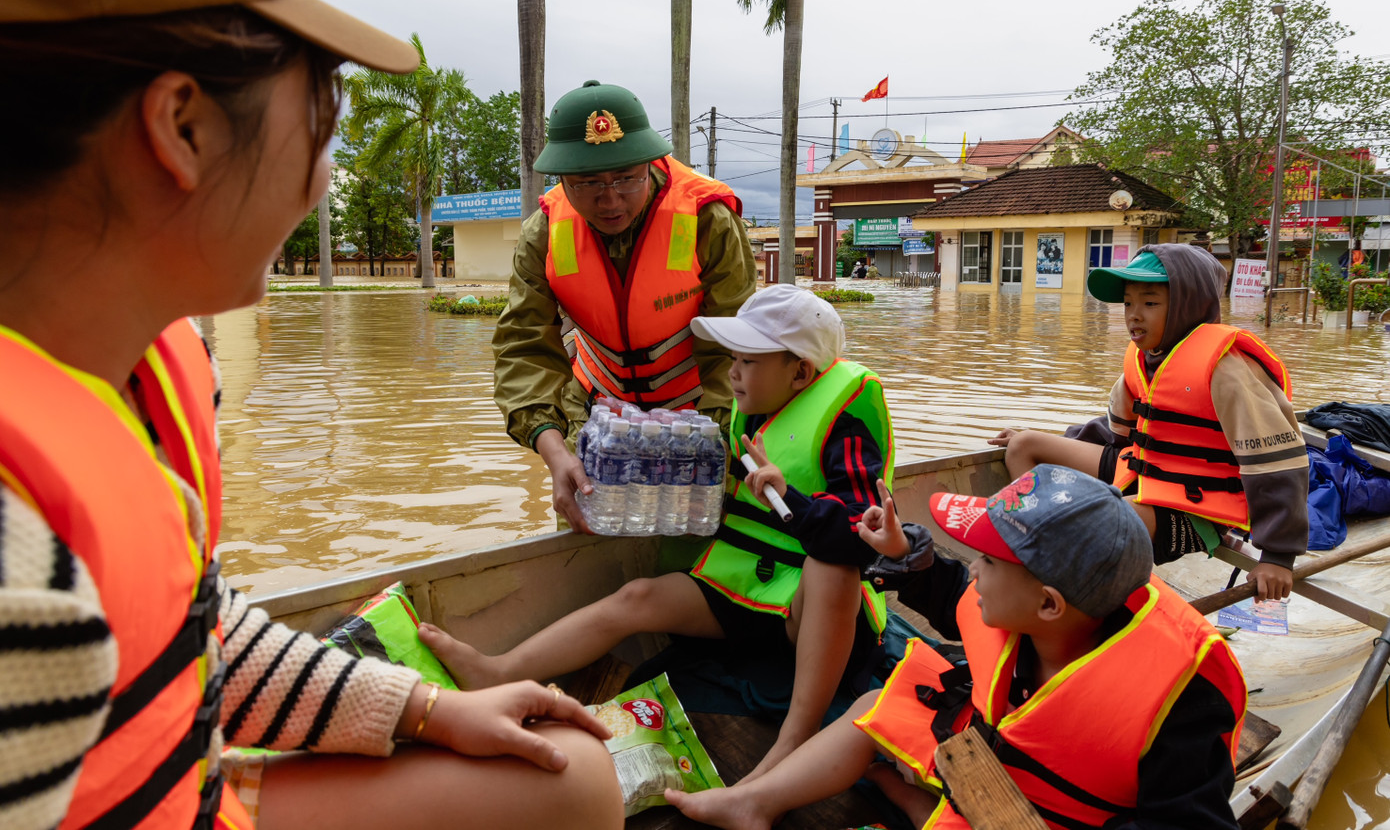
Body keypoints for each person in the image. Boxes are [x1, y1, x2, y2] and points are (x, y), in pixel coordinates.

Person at [0, 0, 623, 829]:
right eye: (319, 118)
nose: (327, 172)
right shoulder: (21, 552)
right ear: (183, 127)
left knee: (572, 771)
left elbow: (187, 626)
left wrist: (427, 710)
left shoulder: (148, 363)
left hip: (182, 773)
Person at [424, 284, 898, 779]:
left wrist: (794, 503)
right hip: (753, 586)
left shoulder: (846, 422)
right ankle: (499, 671)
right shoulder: (758, 407)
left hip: (817, 610)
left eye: (749, 362)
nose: (733, 372)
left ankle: (793, 739)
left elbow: (858, 533)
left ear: (800, 371)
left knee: (833, 566)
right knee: (638, 596)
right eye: (733, 358)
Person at [667, 466, 1247, 830]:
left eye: (990, 561)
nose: (975, 566)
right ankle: (757, 803)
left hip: (1057, 812)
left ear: (1047, 605)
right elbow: (957, 599)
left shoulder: (1183, 700)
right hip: (1003, 750)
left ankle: (924, 807)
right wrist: (902, 551)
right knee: (875, 709)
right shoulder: (1041, 607)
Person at [492, 80, 757, 532]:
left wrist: (713, 447)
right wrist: (555, 451)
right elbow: (524, 347)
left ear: (651, 164)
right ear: (562, 179)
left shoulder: (708, 219)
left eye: (625, 178)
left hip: (698, 417)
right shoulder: (543, 233)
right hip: (595, 421)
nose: (610, 199)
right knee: (588, 537)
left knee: (700, 545)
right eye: (588, 183)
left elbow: (738, 347)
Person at [990, 244, 1308, 601]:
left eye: (1150, 303)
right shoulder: (1145, 357)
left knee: (1111, 517)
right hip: (1143, 471)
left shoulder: (1227, 369)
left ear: (1188, 305)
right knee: (1025, 445)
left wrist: (1278, 556)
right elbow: (1118, 430)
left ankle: (1074, 589)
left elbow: (1278, 462)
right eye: (1128, 303)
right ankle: (1038, 551)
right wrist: (1064, 448)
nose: (1134, 316)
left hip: (1196, 503)